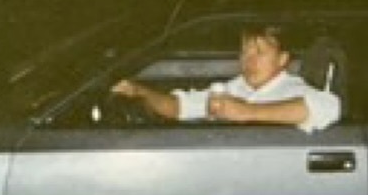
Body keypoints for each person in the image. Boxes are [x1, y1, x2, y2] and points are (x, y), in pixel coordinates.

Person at [111, 23, 340, 133]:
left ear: (282, 59)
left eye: (259, 53)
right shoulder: (234, 88)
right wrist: (141, 92)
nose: (249, 60)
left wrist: (246, 112)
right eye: (245, 53)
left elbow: (328, 107)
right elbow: (179, 107)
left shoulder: (293, 89)